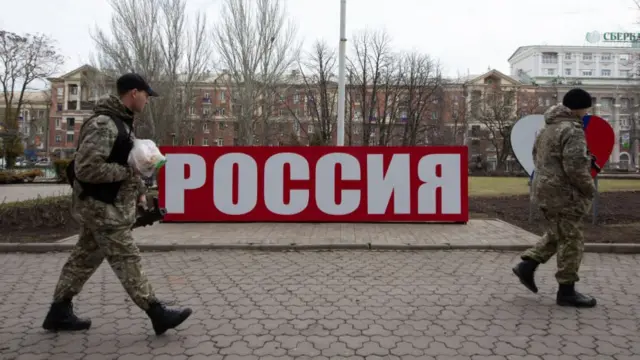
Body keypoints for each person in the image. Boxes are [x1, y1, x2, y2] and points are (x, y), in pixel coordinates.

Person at [42, 73, 193, 335]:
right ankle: (156, 313)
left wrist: (138, 191)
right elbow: (87, 169)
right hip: (102, 208)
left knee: (83, 259)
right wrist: (129, 170)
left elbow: (120, 164)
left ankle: (58, 312)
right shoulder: (104, 124)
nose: (147, 100)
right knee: (127, 257)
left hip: (105, 205)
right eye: (146, 95)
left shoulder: (121, 123)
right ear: (134, 93)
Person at [512, 88, 597, 308]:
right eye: (587, 107)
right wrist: (589, 189)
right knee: (572, 239)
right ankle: (567, 291)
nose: (587, 111)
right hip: (564, 193)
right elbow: (574, 167)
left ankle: (527, 265)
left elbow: (536, 157)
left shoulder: (546, 129)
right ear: (580, 107)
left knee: (559, 232)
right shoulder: (573, 130)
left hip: (544, 189)